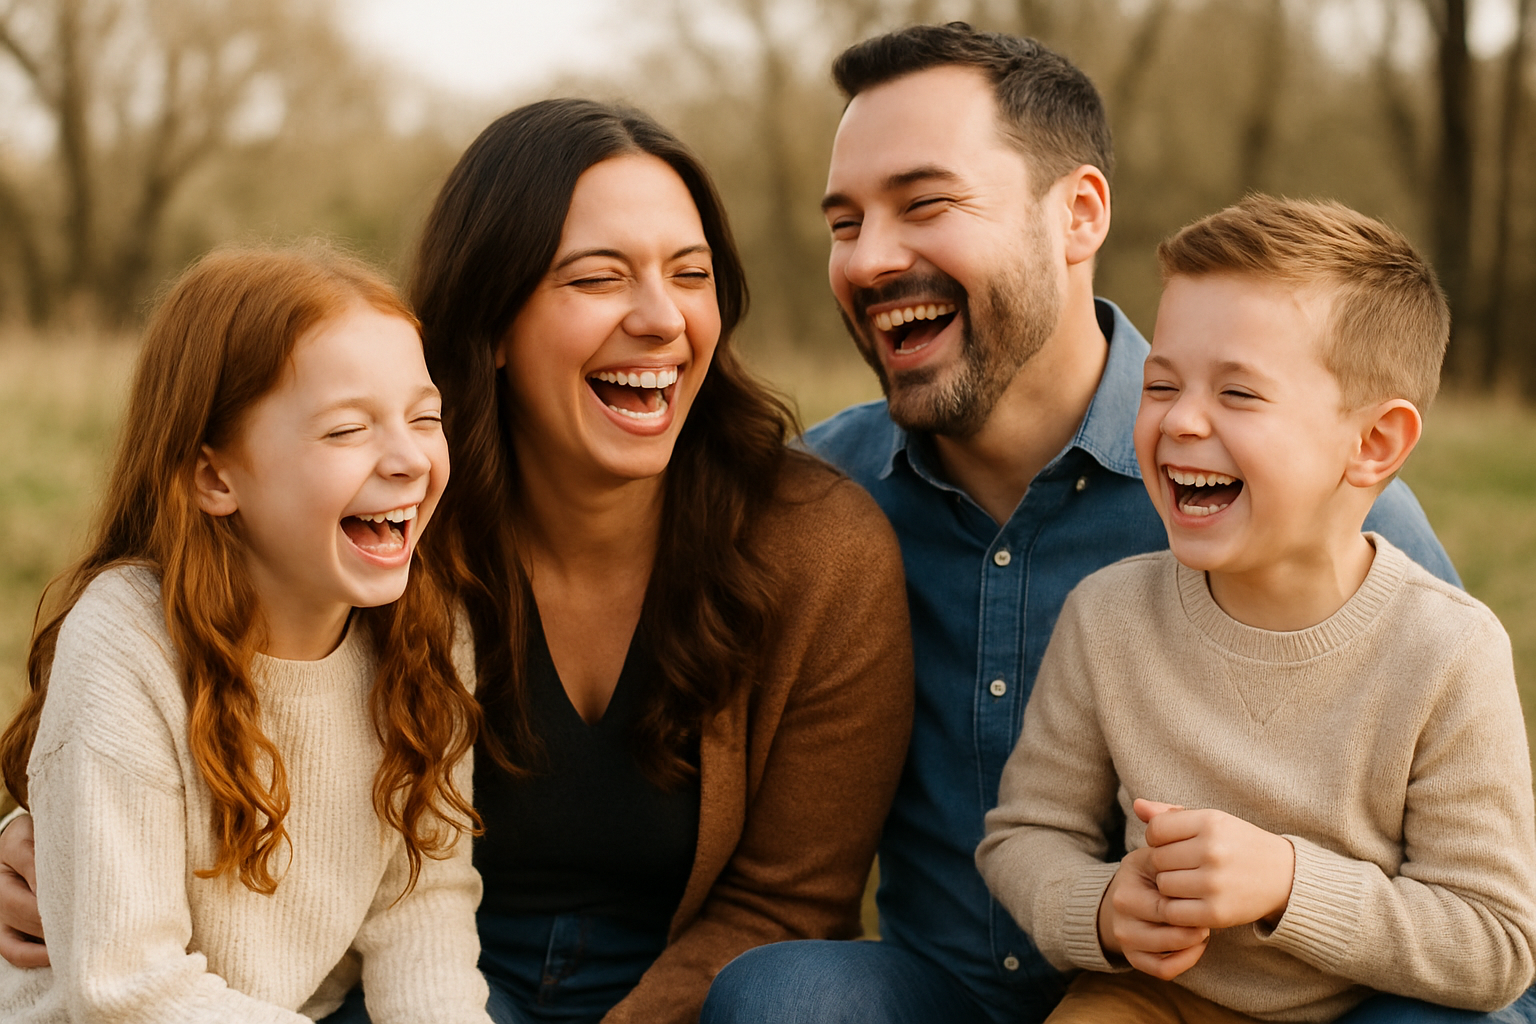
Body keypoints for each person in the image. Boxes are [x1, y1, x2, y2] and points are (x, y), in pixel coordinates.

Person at [0, 99, 916, 1024]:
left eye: (692, 273)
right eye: (597, 279)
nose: (660, 316)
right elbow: (165, 699)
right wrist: (44, 843)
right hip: (414, 989)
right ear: (495, 321)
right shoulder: (391, 536)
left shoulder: (817, 549)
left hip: (693, 983)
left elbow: (787, 902)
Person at [701, 21, 1532, 1024]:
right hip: (998, 995)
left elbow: (1485, 926)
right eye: (843, 223)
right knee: (787, 999)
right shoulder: (821, 501)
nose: (871, 258)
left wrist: (1288, 885)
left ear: (1079, 215)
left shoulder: (1331, 512)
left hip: (1308, 998)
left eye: (925, 203)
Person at [977, 195, 1536, 1021]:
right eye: (1159, 383)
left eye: (1238, 394)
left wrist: (1286, 881)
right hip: (1154, 999)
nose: (1181, 420)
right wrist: (1098, 905)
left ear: (1373, 444)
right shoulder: (1108, 618)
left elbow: (1493, 943)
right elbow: (1025, 835)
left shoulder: (1448, 650)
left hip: (1362, 1005)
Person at [0, 246, 491, 1023]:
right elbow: (127, 990)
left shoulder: (428, 635)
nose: (408, 459)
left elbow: (419, 917)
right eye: (347, 430)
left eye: (424, 418)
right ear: (216, 477)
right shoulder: (127, 642)